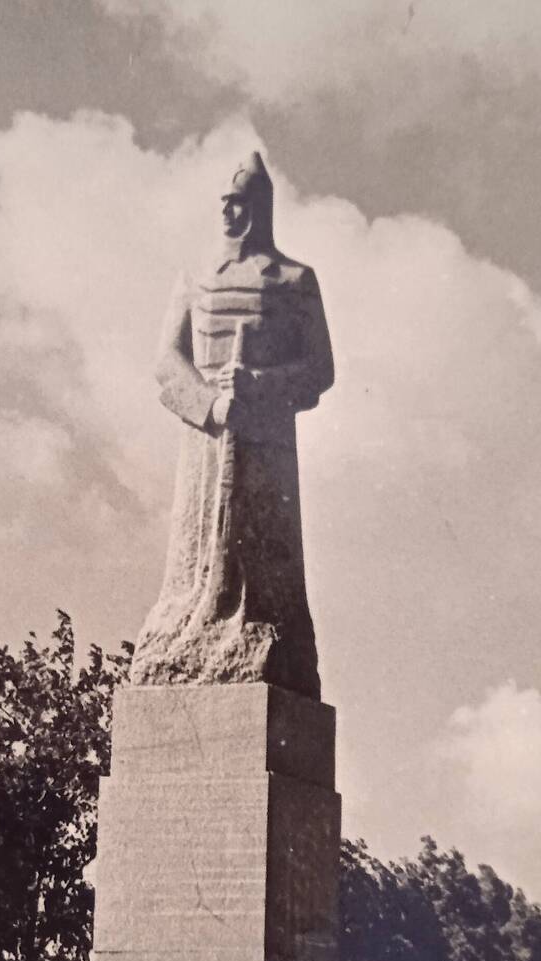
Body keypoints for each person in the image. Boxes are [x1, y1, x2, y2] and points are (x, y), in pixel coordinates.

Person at [130, 152, 334, 698]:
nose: (229, 214)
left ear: (261, 209)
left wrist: (261, 388)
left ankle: (260, 633)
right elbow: (166, 362)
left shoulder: (294, 281)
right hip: (206, 441)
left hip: (266, 440)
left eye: (240, 203)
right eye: (224, 203)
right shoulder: (196, 279)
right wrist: (210, 405)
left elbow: (319, 370)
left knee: (263, 573)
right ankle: (186, 631)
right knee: (194, 560)